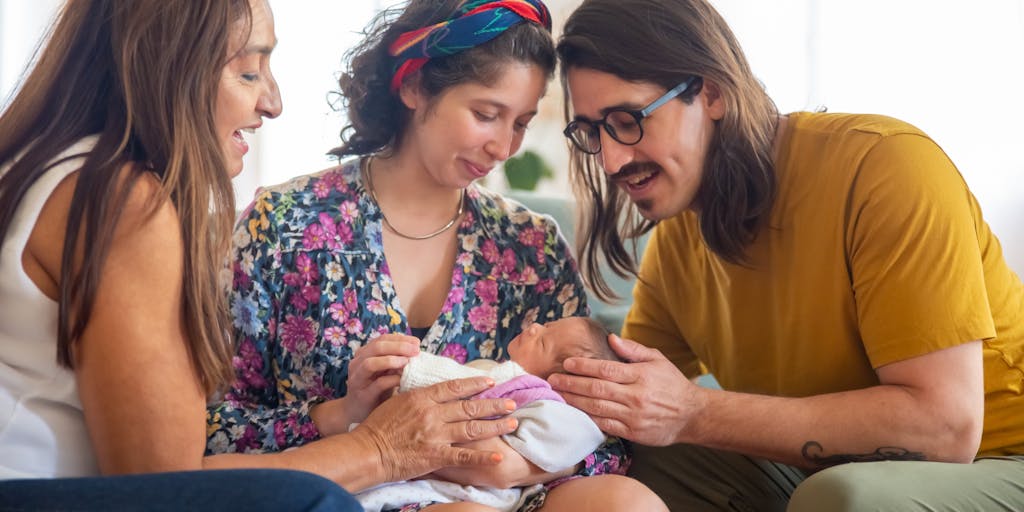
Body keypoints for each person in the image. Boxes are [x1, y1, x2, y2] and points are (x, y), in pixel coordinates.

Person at [0, 1, 519, 509]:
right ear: (169, 65)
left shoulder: (55, 168)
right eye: (248, 72)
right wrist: (379, 449)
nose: (272, 101)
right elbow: (168, 485)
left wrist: (341, 420)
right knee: (306, 499)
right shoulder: (123, 200)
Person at [546, 0, 1024, 511]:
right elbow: (626, 403)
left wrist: (695, 412)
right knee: (630, 457)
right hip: (828, 470)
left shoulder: (885, 167)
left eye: (627, 119)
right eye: (593, 132)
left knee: (841, 497)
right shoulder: (677, 242)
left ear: (711, 92)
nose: (613, 158)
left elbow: (946, 430)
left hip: (997, 456)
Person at [207, 1, 646, 510]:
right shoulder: (284, 226)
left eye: (521, 123)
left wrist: (514, 464)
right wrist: (341, 415)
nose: (505, 147)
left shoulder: (531, 248)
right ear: (413, 86)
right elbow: (210, 431)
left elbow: (608, 436)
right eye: (486, 114)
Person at [357, 317, 664, 512]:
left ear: (563, 378)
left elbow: (503, 464)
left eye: (543, 339)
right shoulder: (492, 371)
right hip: (412, 464)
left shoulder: (551, 406)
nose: (534, 327)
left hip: (483, 489)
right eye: (545, 325)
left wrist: (412, 369)